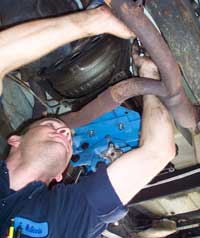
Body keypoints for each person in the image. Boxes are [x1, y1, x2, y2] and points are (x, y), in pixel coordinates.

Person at [0, 5, 176, 238]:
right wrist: (149, 73)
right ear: (60, 175)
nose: (65, 132)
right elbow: (159, 151)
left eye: (51, 125)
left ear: (15, 140)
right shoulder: (66, 219)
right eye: (69, 139)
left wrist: (94, 21)